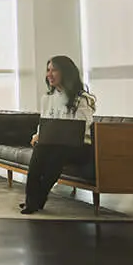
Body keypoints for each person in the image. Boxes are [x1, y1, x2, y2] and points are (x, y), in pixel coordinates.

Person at [21, 55, 97, 214]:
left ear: (66, 73)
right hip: (54, 144)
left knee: (57, 153)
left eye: (54, 70)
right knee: (40, 150)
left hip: (79, 147)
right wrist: (38, 135)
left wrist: (57, 135)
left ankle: (39, 198)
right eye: (48, 70)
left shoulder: (81, 99)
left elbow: (82, 127)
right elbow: (44, 123)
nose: (49, 74)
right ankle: (31, 200)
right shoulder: (47, 98)